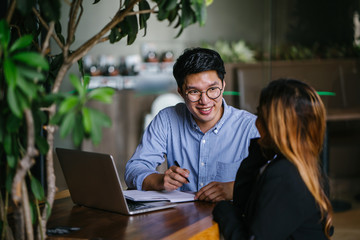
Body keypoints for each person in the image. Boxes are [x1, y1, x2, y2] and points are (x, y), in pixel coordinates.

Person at [124, 47, 259, 202]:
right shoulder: (167, 119)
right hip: (181, 219)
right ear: (181, 92)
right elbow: (134, 169)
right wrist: (159, 181)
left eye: (212, 89)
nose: (205, 101)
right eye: (194, 92)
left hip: (232, 220)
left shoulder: (250, 127)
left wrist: (235, 188)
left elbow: (276, 178)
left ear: (223, 86)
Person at [213, 78, 334, 239]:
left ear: (274, 125)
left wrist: (222, 209)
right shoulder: (306, 166)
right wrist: (260, 150)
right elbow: (245, 208)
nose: (256, 123)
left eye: (259, 115)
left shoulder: (284, 174)